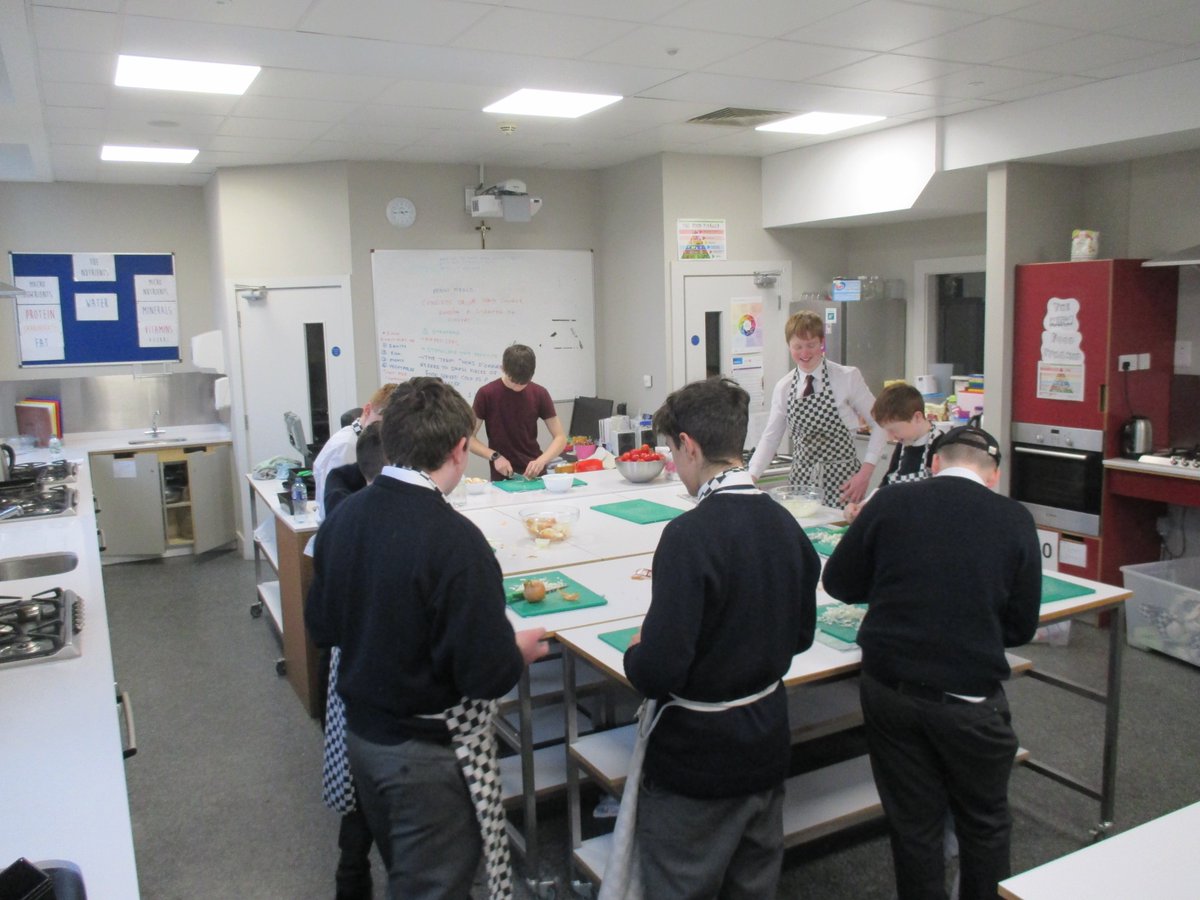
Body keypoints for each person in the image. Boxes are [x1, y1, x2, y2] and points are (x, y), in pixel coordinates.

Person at [305, 376, 549, 899]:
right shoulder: (456, 542)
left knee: (407, 873)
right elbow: (483, 674)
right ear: (461, 450)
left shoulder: (344, 519)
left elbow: (322, 627)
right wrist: (516, 652)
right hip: (426, 759)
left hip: (363, 740)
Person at [612, 377, 819, 899]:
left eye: (673, 452)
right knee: (753, 884)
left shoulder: (689, 537)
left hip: (699, 760)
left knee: (683, 882)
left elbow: (659, 672)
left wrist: (637, 651)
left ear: (690, 446)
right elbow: (801, 636)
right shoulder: (786, 526)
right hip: (767, 740)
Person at [822, 425, 1042, 900]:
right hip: (967, 699)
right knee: (984, 824)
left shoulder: (890, 502)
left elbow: (839, 582)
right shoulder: (1015, 519)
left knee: (913, 824)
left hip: (889, 691)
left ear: (934, 463)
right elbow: (1022, 627)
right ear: (993, 474)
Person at [316, 422, 385, 900]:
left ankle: (351, 878)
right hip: (366, 686)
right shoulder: (360, 520)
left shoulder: (341, 508)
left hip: (350, 681)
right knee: (370, 798)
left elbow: (319, 621)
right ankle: (354, 877)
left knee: (359, 797)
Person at [747, 310, 887, 507]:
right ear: (789, 347)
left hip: (844, 482)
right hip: (801, 483)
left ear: (822, 342)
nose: (804, 353)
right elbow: (770, 438)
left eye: (811, 345)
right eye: (798, 347)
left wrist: (865, 473)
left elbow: (881, 423)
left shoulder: (847, 377)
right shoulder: (784, 387)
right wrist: (750, 478)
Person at [469, 343, 568, 480]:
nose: (517, 387)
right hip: (503, 476)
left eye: (523, 383)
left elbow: (560, 438)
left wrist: (542, 460)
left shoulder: (540, 393)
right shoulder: (486, 394)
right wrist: (494, 456)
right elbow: (468, 437)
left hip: (535, 474)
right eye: (513, 381)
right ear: (502, 369)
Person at [843, 382, 938, 522]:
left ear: (917, 417)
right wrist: (864, 507)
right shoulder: (903, 445)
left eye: (893, 430)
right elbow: (887, 484)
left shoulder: (939, 446)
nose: (890, 437)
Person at [310, 383, 397, 519]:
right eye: (381, 422)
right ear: (367, 410)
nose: (385, 430)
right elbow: (335, 503)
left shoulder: (356, 436)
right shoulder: (347, 446)